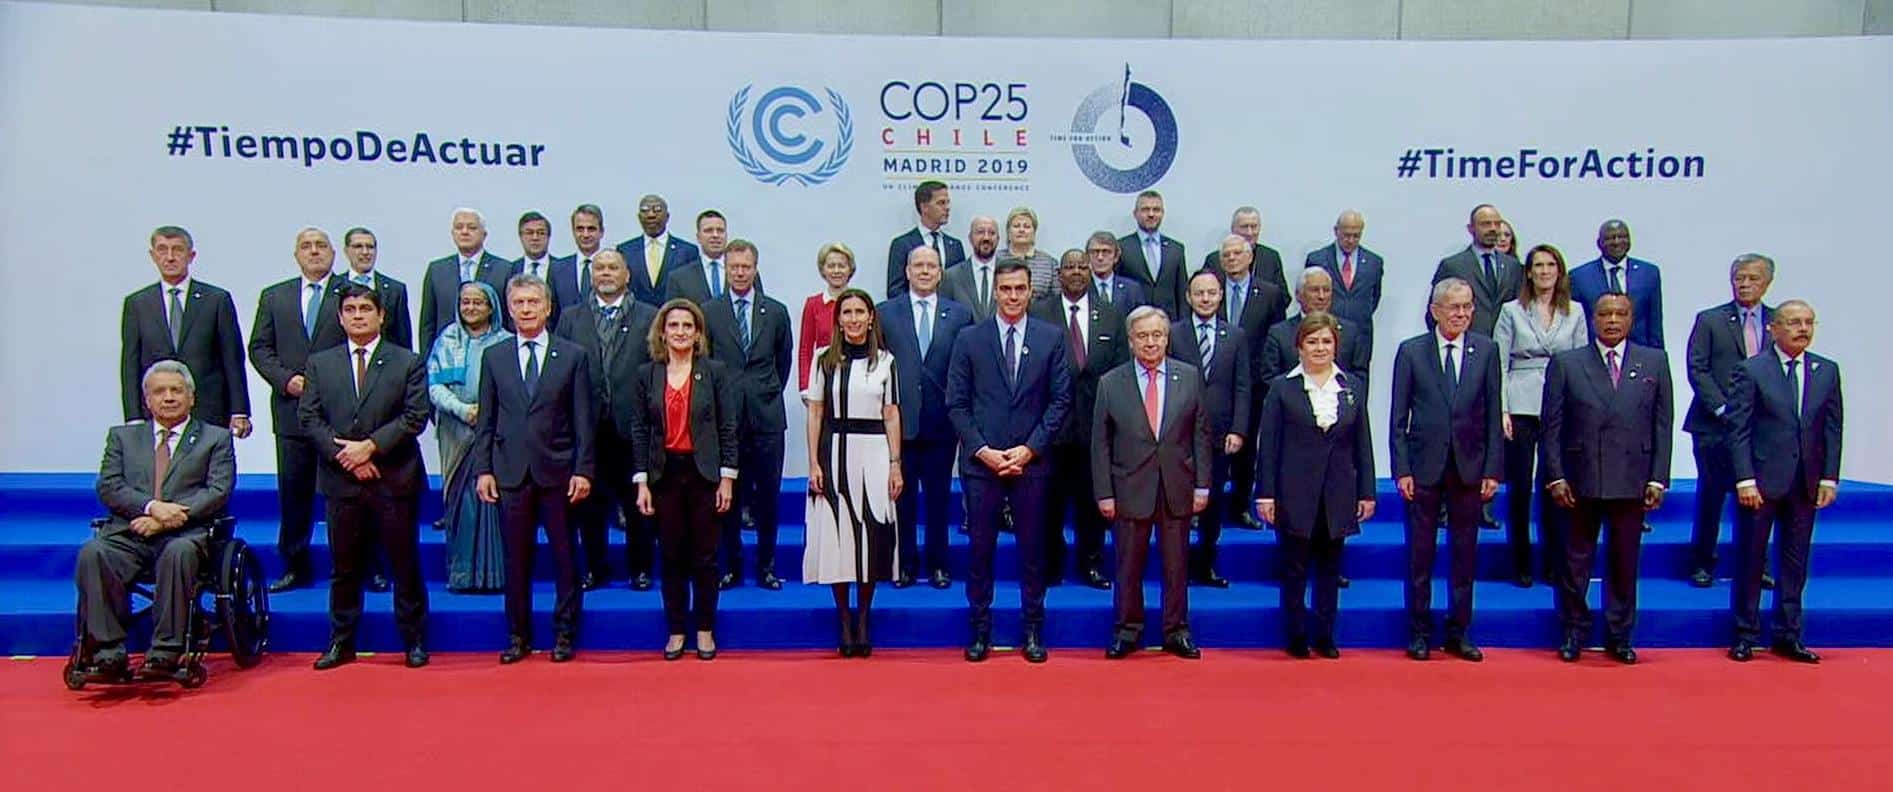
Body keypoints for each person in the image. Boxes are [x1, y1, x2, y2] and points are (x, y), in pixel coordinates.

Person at [299, 286, 432, 670]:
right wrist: (349, 458)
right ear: (340, 318)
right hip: (343, 481)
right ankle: (342, 642)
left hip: (394, 479)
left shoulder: (407, 362)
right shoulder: (320, 364)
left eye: (365, 309)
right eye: (350, 309)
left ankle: (414, 640)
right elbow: (309, 418)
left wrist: (370, 447)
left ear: (380, 316)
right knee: (344, 567)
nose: (358, 315)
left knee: (404, 564)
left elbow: (414, 417)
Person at [947, 260, 1073, 663]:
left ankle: (1033, 630)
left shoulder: (1051, 338)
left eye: (1020, 288)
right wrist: (983, 450)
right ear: (996, 292)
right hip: (981, 465)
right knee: (980, 552)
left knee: (1034, 553)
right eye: (1006, 289)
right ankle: (980, 631)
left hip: (1031, 464)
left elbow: (1060, 400)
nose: (1013, 296)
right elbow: (956, 403)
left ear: (1030, 291)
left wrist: (1029, 449)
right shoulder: (970, 338)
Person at [76, 361, 235, 678]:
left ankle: (166, 650)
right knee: (93, 553)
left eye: (177, 390)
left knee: (178, 553)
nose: (169, 397)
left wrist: (168, 518)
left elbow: (218, 490)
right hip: (130, 533)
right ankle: (108, 652)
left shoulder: (215, 438)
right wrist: (151, 507)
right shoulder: (123, 437)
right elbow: (109, 486)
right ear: (147, 400)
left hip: (185, 534)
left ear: (191, 397)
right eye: (160, 391)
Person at [1541, 292, 1672, 664]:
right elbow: (1552, 427)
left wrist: (1658, 478)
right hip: (1580, 479)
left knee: (1624, 562)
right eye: (1605, 314)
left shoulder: (1654, 361)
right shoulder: (1567, 363)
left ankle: (1620, 636)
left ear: (1631, 319)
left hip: (1632, 479)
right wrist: (1555, 476)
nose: (1612, 320)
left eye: (1620, 313)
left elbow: (1662, 424)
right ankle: (1573, 632)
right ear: (1593, 319)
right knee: (1575, 563)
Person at [473, 274, 596, 664]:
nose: (526, 309)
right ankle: (517, 636)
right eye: (519, 303)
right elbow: (486, 420)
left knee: (564, 558)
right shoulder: (495, 357)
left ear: (547, 308)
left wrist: (583, 470)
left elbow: (584, 420)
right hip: (510, 474)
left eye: (533, 302)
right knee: (515, 560)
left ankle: (565, 634)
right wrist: (483, 470)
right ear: (509, 309)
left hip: (559, 472)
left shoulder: (572, 355)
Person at [1389, 278, 1503, 662]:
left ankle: (1460, 631)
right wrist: (1402, 469)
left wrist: (1492, 469)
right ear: (1435, 310)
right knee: (1420, 554)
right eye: (1454, 307)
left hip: (1469, 467)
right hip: (1423, 467)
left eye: (1468, 306)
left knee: (1464, 554)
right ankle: (1419, 632)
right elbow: (1398, 418)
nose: (1462, 314)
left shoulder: (1486, 350)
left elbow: (1492, 414)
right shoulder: (1412, 352)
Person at [1255, 313, 1375, 658]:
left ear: (1336, 346)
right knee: (1294, 568)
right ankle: (1296, 635)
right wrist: (1265, 494)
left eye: (1326, 341)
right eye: (1312, 342)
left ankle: (1325, 635)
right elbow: (1269, 445)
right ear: (1299, 347)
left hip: (1338, 491)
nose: (1319, 348)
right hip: (1294, 492)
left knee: (1330, 569)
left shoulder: (1351, 387)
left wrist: (1366, 491)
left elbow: (1362, 443)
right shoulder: (1282, 388)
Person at [1727, 300, 1841, 664]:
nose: (1802, 329)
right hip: (1761, 482)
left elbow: (1832, 428)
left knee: (1795, 562)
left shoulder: (1826, 370)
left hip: (1805, 483)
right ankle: (1745, 634)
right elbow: (1738, 429)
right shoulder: (1752, 370)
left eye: (1808, 322)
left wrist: (1829, 477)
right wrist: (1744, 478)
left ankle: (1788, 635)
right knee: (1751, 559)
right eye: (1793, 322)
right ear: (1773, 328)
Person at [1093, 306, 1209, 660]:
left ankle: (1177, 631)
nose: (1150, 342)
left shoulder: (1189, 376)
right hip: (1129, 486)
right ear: (1130, 341)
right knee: (1128, 566)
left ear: (1167, 338)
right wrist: (1104, 493)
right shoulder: (1110, 383)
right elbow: (1100, 443)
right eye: (1142, 336)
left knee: (1176, 566)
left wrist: (1203, 485)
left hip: (1177, 485)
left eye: (1157, 335)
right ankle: (1127, 631)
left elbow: (1201, 434)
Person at [630, 299, 739, 661]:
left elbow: (727, 427)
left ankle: (705, 630)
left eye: (687, 326)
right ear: (662, 332)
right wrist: (642, 482)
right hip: (664, 475)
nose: (680, 332)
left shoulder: (715, 372)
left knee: (706, 558)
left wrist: (727, 478)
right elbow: (640, 429)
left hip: (704, 474)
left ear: (698, 334)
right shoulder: (647, 374)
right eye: (673, 325)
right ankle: (677, 630)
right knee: (672, 556)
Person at [803, 290, 904, 657]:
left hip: (874, 453)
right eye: (847, 312)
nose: (854, 318)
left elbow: (891, 414)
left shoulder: (886, 362)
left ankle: (864, 618)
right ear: (839, 319)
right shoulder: (823, 360)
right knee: (838, 539)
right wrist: (813, 463)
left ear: (871, 317)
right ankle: (844, 620)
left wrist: (895, 463)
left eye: (860, 311)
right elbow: (816, 412)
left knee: (869, 537)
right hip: (833, 452)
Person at [248, 228, 349, 593]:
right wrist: (286, 380)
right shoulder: (275, 296)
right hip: (291, 411)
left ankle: (359, 566)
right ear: (296, 255)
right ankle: (294, 565)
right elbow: (259, 348)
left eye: (321, 246)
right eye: (306, 246)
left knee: (348, 495)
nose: (314, 251)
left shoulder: (351, 294)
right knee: (294, 493)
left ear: (334, 253)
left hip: (341, 411)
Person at [554, 250, 660, 591]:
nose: (606, 273)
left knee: (637, 503)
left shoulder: (649, 316)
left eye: (613, 267)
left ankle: (640, 569)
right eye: (599, 268)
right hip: (586, 428)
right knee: (589, 505)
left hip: (634, 427)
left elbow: (658, 371)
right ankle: (596, 569)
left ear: (627, 275)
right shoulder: (571, 317)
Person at [1491, 244, 1588, 589]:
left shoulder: (1575, 311)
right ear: (1529, 272)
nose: (1545, 271)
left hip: (1562, 405)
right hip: (1521, 402)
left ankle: (1553, 562)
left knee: (1554, 485)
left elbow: (1583, 364)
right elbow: (1498, 363)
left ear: (1559, 272)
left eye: (1551, 265)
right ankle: (1520, 562)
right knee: (1520, 487)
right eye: (1538, 265)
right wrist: (1502, 409)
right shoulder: (1511, 310)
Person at [879, 246, 974, 589]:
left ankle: (938, 565)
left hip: (942, 424)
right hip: (899, 424)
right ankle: (905, 565)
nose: (924, 271)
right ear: (906, 271)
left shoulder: (960, 315)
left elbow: (967, 369)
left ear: (940, 272)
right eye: (917, 265)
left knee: (938, 500)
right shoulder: (885, 312)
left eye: (931, 266)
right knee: (901, 500)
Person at [1034, 250, 1128, 589]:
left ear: (1091, 272)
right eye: (1070, 267)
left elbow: (1120, 370)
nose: (1076, 272)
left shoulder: (1112, 314)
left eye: (1082, 267)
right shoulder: (1039, 312)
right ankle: (1052, 565)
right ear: (1058, 273)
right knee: (1051, 503)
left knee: (1092, 502)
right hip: (1051, 429)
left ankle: (1092, 564)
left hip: (1097, 428)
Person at [702, 239, 792, 590]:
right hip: (725, 421)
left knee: (768, 497)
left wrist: (762, 392)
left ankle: (766, 567)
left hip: (766, 418)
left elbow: (782, 361)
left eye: (746, 267)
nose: (740, 273)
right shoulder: (710, 312)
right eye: (734, 267)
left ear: (755, 269)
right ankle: (733, 567)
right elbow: (706, 362)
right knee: (728, 498)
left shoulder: (776, 311)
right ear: (725, 269)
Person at [1683, 254, 1777, 588]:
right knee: (1711, 497)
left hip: (1762, 429)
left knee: (1757, 499)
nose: (1745, 284)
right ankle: (1702, 563)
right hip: (1713, 425)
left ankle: (1755, 565)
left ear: (1768, 282)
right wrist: (1723, 408)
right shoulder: (1710, 320)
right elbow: (1698, 367)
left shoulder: (1778, 321)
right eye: (1739, 278)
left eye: (1753, 278)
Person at [119, 226, 252, 437]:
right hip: (155, 413)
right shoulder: (137, 304)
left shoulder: (216, 300)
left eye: (177, 249)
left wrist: (239, 410)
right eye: (162, 250)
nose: (170, 257)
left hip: (209, 410)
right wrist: (133, 416)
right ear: (153, 256)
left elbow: (232, 358)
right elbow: (130, 364)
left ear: (191, 256)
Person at [426, 281, 511, 593]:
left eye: (478, 302)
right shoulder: (447, 340)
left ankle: (495, 576)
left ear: (491, 307)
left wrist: (487, 415)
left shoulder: (506, 342)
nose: (471, 308)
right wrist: (462, 410)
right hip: (456, 432)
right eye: (465, 302)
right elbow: (434, 385)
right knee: (462, 502)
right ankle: (462, 575)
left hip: (497, 433)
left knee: (492, 501)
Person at [1168, 270, 1251, 587]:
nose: (1205, 299)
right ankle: (1177, 568)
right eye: (1199, 293)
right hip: (1178, 434)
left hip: (1219, 435)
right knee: (1177, 504)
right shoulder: (1173, 333)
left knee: (1213, 503)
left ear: (1220, 296)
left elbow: (1242, 386)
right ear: (1188, 297)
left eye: (1211, 293)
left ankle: (1205, 564)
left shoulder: (1236, 336)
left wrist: (1238, 429)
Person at [1214, 235, 1287, 531]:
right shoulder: (1210, 290)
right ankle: (1204, 509)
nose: (1232, 258)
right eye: (1226, 254)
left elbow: (1278, 336)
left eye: (1237, 253)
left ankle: (1241, 507)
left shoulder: (1269, 293)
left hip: (1255, 383)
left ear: (1250, 257)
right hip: (1215, 382)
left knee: (1247, 448)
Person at [419, 208, 514, 361]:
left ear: (484, 234)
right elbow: (428, 323)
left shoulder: (504, 269)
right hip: (447, 359)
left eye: (471, 227)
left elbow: (510, 319)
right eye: (459, 227)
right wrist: (425, 361)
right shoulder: (437, 270)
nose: (464, 232)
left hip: (493, 356)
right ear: (452, 233)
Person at [1260, 268, 1370, 383]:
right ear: (1298, 295)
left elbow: (1360, 378)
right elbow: (1270, 379)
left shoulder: (1351, 332)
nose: (1321, 296)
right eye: (1314, 290)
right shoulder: (1280, 334)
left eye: (1326, 290)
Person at [1431, 204, 1522, 339]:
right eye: (1486, 224)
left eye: (1497, 224)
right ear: (1471, 228)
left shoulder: (1513, 266)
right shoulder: (1452, 266)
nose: (1493, 228)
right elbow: (1435, 313)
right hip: (1467, 343)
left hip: (1505, 344)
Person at [1570, 220, 1665, 349]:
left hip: (1639, 353)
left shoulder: (1649, 273)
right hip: (1596, 353)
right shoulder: (1579, 277)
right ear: (1599, 243)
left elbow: (1655, 323)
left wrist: (1658, 357)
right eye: (1610, 238)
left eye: (1622, 236)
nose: (1616, 242)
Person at [1307, 210, 1384, 365]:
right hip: (1325, 334)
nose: (1351, 240)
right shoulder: (1317, 259)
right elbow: (1309, 297)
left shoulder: (1374, 262)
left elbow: (1374, 298)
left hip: (1361, 336)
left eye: (1356, 236)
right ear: (1336, 231)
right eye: (1346, 235)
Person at [1201, 206, 1290, 320]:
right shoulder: (1214, 259)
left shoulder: (1271, 257)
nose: (1249, 232)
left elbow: (1282, 298)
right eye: (1244, 227)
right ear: (1233, 229)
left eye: (1254, 227)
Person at [615, 194, 702, 306]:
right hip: (635, 315)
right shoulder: (625, 251)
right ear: (639, 217)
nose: (651, 215)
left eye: (657, 210)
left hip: (674, 314)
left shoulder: (687, 251)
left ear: (667, 216)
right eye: (645, 210)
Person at [1115, 190, 1189, 317]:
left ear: (1162, 213)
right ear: (1135, 214)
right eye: (1145, 210)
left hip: (1169, 322)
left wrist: (1183, 323)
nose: (1151, 214)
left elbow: (1182, 293)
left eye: (1156, 210)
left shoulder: (1176, 249)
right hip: (1134, 320)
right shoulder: (1122, 247)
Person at [886, 180, 965, 298]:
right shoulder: (902, 244)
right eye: (941, 203)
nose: (947, 208)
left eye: (948, 203)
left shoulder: (955, 246)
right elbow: (895, 290)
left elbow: (961, 288)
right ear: (924, 207)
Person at [338, 227, 414, 349]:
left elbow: (403, 340)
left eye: (370, 247)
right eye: (358, 247)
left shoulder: (395, 290)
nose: (365, 252)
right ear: (346, 251)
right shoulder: (334, 288)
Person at [797, 242, 857, 391]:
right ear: (823, 270)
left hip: (855, 378)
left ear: (850, 269)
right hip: (823, 378)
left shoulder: (859, 302)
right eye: (831, 266)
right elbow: (805, 349)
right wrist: (805, 386)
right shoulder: (813, 304)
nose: (836, 271)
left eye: (841, 266)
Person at [666, 209, 732, 305]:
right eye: (708, 231)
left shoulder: (743, 272)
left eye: (720, 231)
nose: (715, 235)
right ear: (698, 237)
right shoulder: (679, 278)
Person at [550, 204, 607, 314]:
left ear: (601, 232)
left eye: (591, 229)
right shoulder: (557, 269)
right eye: (580, 229)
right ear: (573, 232)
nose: (585, 235)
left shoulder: (613, 268)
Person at [511, 211, 564, 323]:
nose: (535, 238)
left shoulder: (563, 269)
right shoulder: (510, 270)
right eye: (529, 233)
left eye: (541, 233)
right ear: (521, 237)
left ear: (548, 237)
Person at [998, 206, 1058, 300]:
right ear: (1008, 232)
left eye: (1027, 227)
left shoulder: (1050, 263)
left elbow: (1056, 298)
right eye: (1016, 226)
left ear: (1034, 232)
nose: (1021, 230)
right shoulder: (997, 259)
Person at [1085, 231, 1149, 310]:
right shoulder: (1082, 287)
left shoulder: (1132, 289)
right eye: (1095, 252)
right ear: (1087, 257)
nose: (1100, 257)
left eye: (1106, 252)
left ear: (1116, 257)